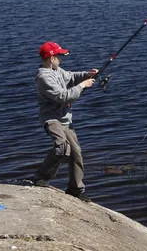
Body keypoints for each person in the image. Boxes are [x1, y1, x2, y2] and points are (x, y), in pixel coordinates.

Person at [31, 41, 97, 202]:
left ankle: (75, 189)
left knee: (76, 153)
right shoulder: (44, 77)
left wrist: (87, 74)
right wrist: (82, 86)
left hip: (65, 119)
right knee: (62, 147)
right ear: (51, 58)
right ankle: (41, 178)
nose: (61, 59)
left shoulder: (57, 70)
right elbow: (64, 97)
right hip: (51, 118)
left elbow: (71, 77)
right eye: (59, 56)